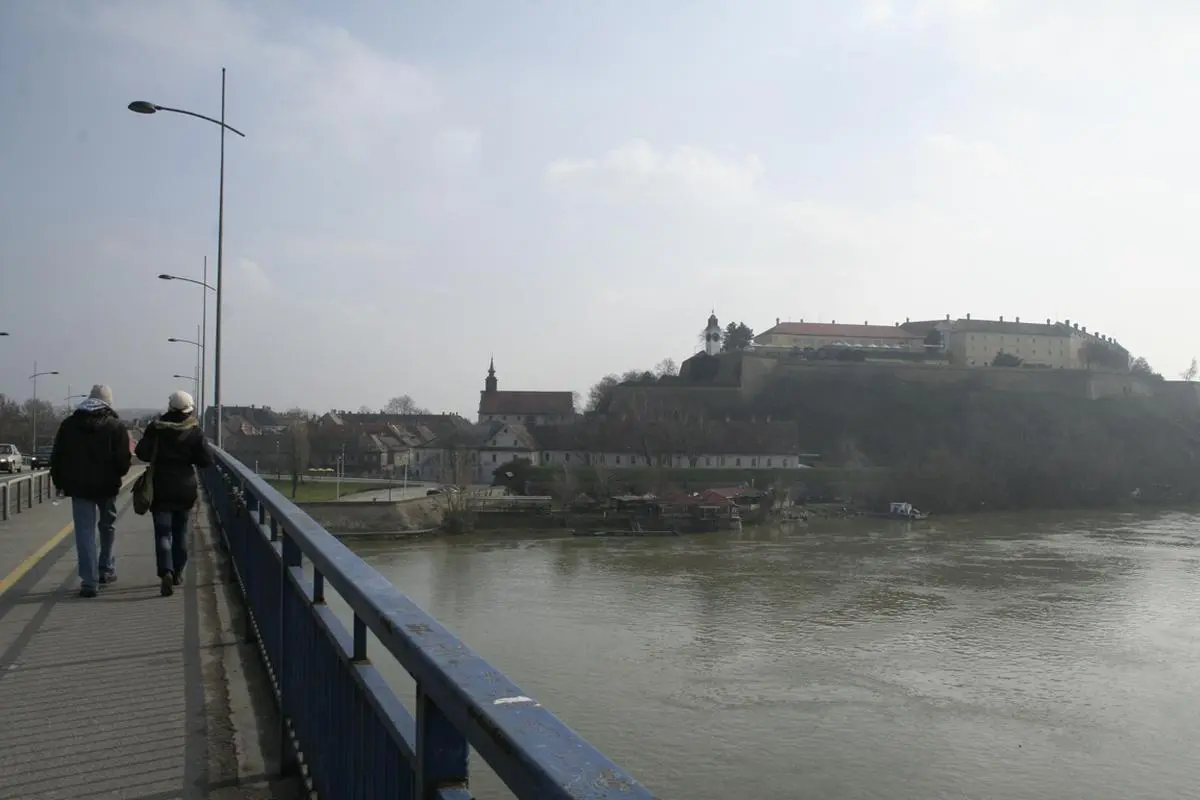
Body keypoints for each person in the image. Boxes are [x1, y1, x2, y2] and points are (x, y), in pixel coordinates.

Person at [50, 384, 132, 598]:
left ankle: (89, 582)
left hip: (78, 487)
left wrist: (60, 482)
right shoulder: (115, 426)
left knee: (84, 533)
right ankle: (106, 569)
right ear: (108, 402)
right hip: (107, 486)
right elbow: (124, 460)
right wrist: (117, 474)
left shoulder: (69, 425)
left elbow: (58, 456)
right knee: (108, 526)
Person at [135, 390, 210, 596]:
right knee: (181, 532)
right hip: (185, 488)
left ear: (169, 406)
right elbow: (206, 460)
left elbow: (142, 452)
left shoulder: (156, 428)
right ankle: (177, 572)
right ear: (189, 408)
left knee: (163, 532)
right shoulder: (194, 431)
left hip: (160, 487)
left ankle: (165, 570)